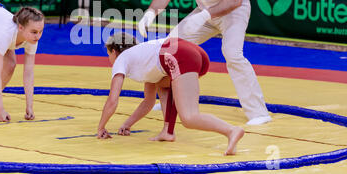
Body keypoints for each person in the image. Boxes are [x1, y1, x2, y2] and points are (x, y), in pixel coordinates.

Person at [138, 0, 272, 126]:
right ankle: (168, 98)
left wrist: (203, 16)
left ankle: (259, 112)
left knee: (232, 53)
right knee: (170, 47)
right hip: (205, 10)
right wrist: (149, 13)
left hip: (234, 10)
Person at [97, 33, 244, 156]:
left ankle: (231, 130)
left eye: (108, 54)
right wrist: (127, 124)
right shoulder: (143, 57)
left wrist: (101, 127)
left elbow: (112, 100)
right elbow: (148, 102)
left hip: (178, 55)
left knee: (189, 117)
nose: (109, 58)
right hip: (191, 52)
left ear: (114, 51)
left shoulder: (121, 59)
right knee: (161, 83)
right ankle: (168, 131)